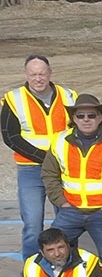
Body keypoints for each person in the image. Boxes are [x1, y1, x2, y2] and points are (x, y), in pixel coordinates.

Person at [43, 93, 102, 267]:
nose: (86, 119)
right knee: (52, 254)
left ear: (100, 117)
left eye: (91, 115)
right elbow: (49, 174)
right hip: (70, 211)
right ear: (74, 118)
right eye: (80, 116)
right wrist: (61, 202)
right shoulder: (59, 141)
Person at [4, 54, 76, 260]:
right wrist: (43, 158)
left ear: (50, 73)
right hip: (30, 171)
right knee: (33, 224)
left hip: (63, 171)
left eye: (42, 73)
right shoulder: (14, 99)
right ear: (26, 75)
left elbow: (79, 130)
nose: (38, 78)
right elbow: (11, 136)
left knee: (68, 220)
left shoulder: (69, 96)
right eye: (33, 74)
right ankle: (31, 275)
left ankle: (70, 269)